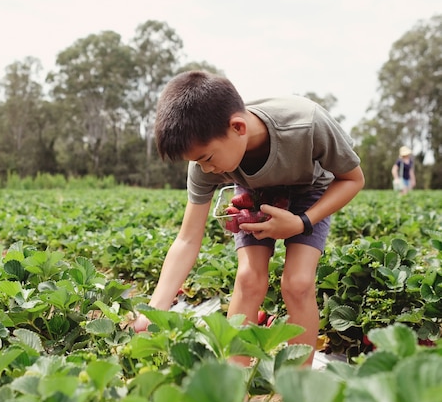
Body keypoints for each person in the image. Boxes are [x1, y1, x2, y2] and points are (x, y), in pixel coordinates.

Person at [132, 71, 365, 366]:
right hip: (256, 191)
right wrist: (153, 310)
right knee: (248, 279)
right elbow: (188, 238)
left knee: (298, 282)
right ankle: (233, 383)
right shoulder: (206, 163)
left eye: (206, 159)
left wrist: (302, 222)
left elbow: (353, 179)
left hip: (311, 190)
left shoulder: (307, 125)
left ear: (238, 127)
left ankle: (298, 387)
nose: (204, 170)